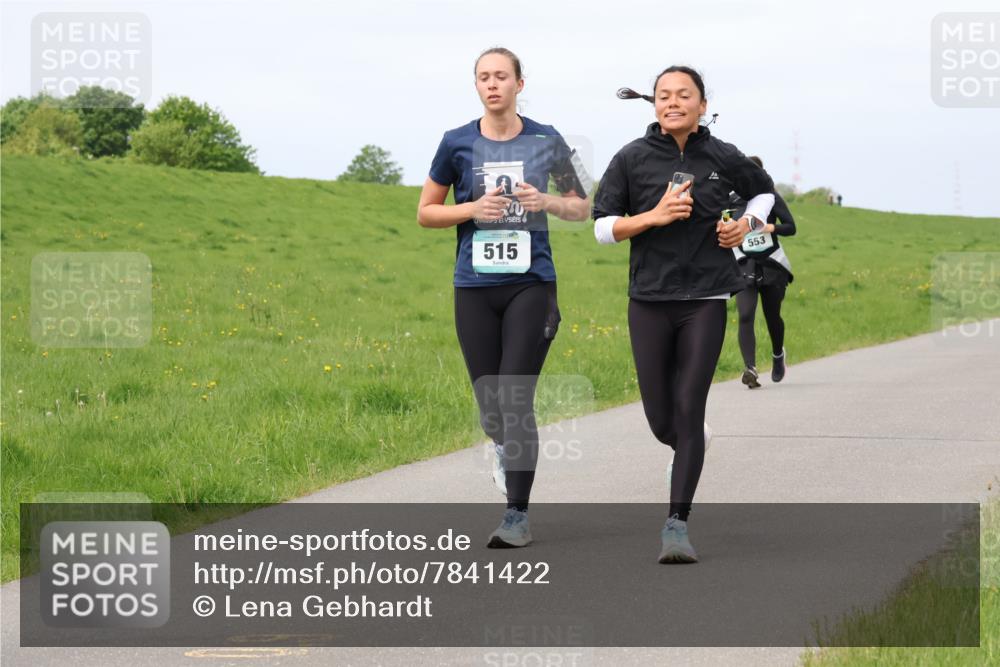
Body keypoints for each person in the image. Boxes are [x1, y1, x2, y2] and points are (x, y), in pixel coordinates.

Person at [593, 65, 774, 563]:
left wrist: (745, 225)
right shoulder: (631, 157)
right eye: (664, 95)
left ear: (701, 104)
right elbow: (602, 228)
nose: (673, 102)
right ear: (654, 104)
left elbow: (764, 194)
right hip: (649, 299)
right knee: (661, 420)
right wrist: (652, 217)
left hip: (707, 299)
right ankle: (691, 442)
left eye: (683, 95)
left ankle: (676, 525)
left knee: (690, 407)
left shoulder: (723, 155)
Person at [417, 47, 591, 548]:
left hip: (530, 285)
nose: (492, 84)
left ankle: (516, 515)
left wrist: (547, 201)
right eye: (483, 77)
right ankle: (501, 448)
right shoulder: (456, 142)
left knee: (514, 399)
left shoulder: (547, 138)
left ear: (519, 83)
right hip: (474, 287)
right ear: (476, 86)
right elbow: (426, 211)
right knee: (492, 409)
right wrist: (471, 209)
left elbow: (582, 206)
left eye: (501, 76)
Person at [732, 156, 797, 389]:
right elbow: (722, 223)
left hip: (771, 264)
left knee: (772, 316)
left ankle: (778, 354)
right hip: (744, 265)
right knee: (745, 315)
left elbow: (791, 227)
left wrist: (771, 227)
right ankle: (750, 368)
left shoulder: (770, 198)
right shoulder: (730, 201)